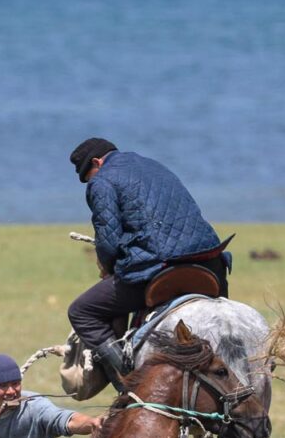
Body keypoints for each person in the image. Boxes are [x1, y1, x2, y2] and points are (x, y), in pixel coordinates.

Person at [66, 137, 232, 388]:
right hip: (211, 263)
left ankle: (129, 384)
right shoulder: (154, 165)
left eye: (88, 175)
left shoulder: (102, 181)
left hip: (160, 268)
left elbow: (109, 240)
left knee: (82, 311)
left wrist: (107, 268)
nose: (90, 182)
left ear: (97, 162)